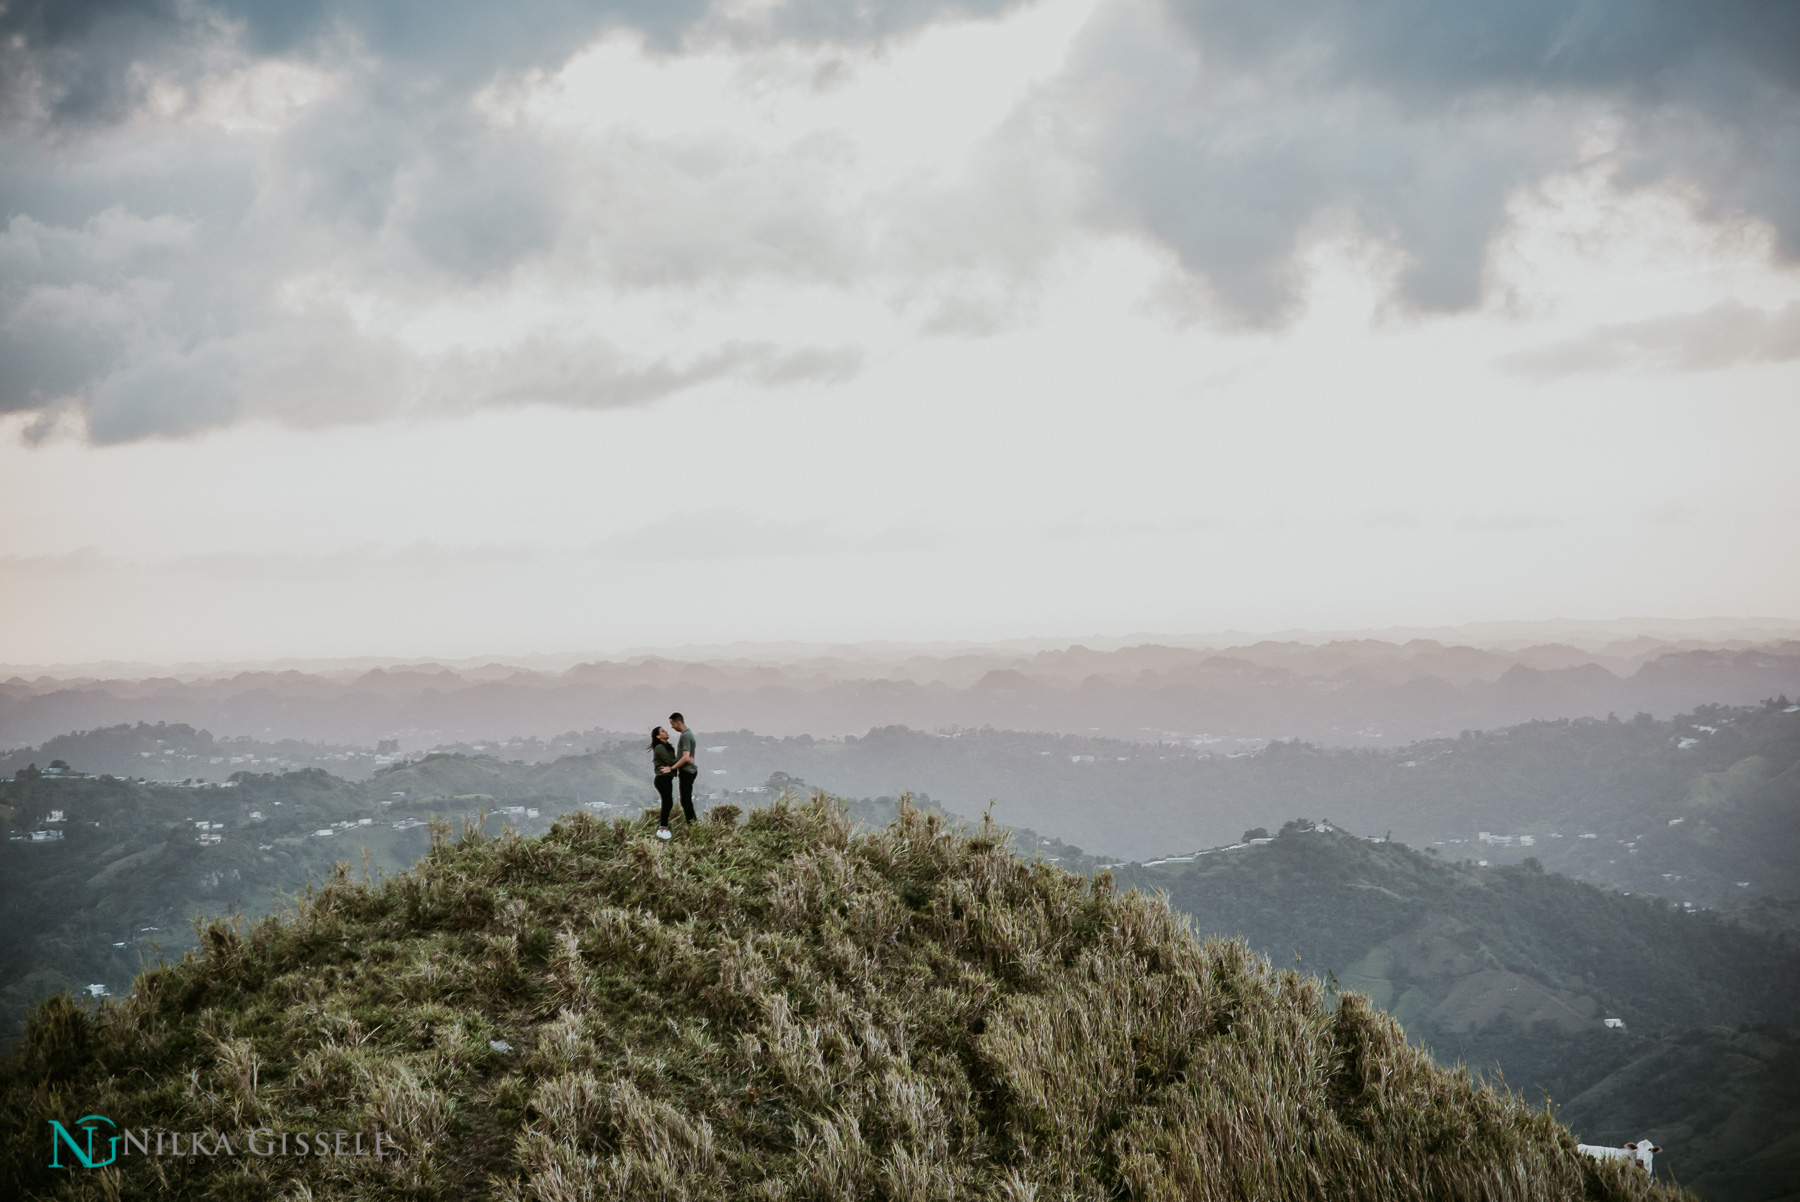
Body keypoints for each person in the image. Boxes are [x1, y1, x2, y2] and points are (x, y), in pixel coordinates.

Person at [649, 726, 682, 840]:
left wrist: (674, 766)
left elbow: (672, 763)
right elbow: (669, 761)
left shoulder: (668, 747)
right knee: (667, 802)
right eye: (663, 731)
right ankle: (662, 828)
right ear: (658, 736)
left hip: (667, 778)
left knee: (668, 802)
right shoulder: (659, 747)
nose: (666, 732)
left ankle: (664, 827)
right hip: (662, 778)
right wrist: (683, 760)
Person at [669, 711, 699, 827]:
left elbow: (686, 757)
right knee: (686, 799)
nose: (672, 727)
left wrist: (672, 767)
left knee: (685, 800)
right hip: (688, 770)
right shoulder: (687, 734)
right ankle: (693, 824)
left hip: (687, 771)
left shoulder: (686, 736)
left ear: (679, 722)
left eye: (673, 724)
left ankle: (692, 825)